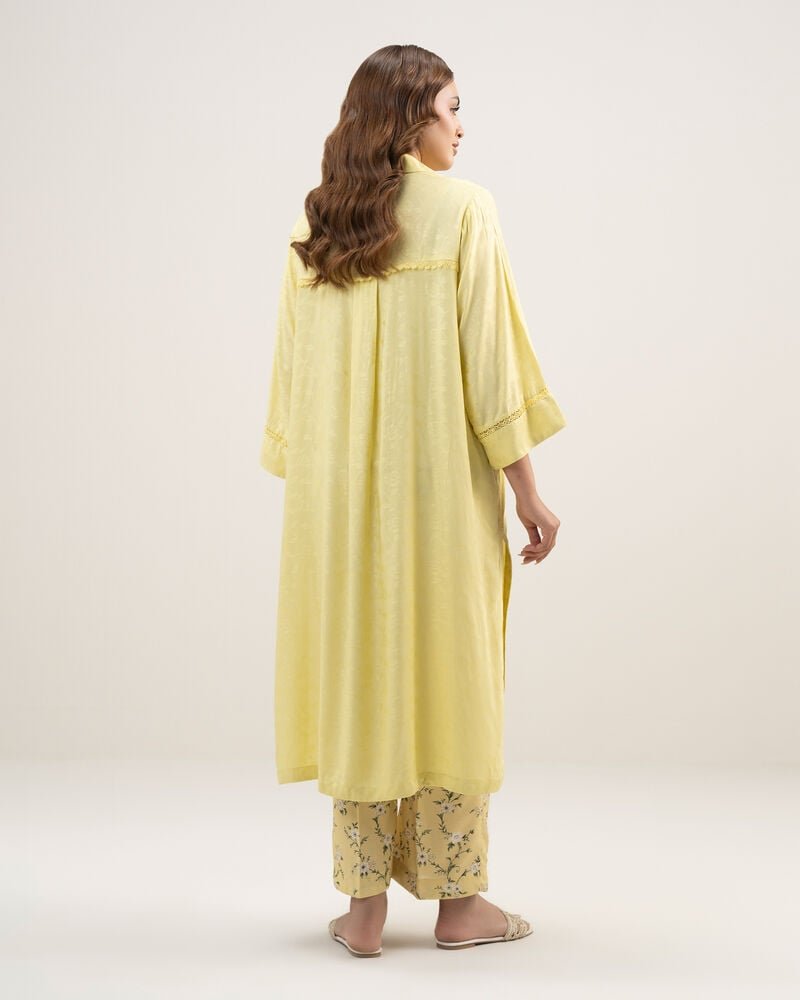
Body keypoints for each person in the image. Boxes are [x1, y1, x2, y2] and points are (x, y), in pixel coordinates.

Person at [259, 44, 566, 957]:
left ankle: (362, 913)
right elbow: (492, 368)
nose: (461, 127)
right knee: (448, 677)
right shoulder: (465, 211)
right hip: (436, 500)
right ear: (409, 117)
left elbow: (291, 384)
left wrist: (317, 481)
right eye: (451, 108)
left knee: (362, 673)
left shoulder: (317, 227)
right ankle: (460, 905)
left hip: (337, 505)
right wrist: (529, 491)